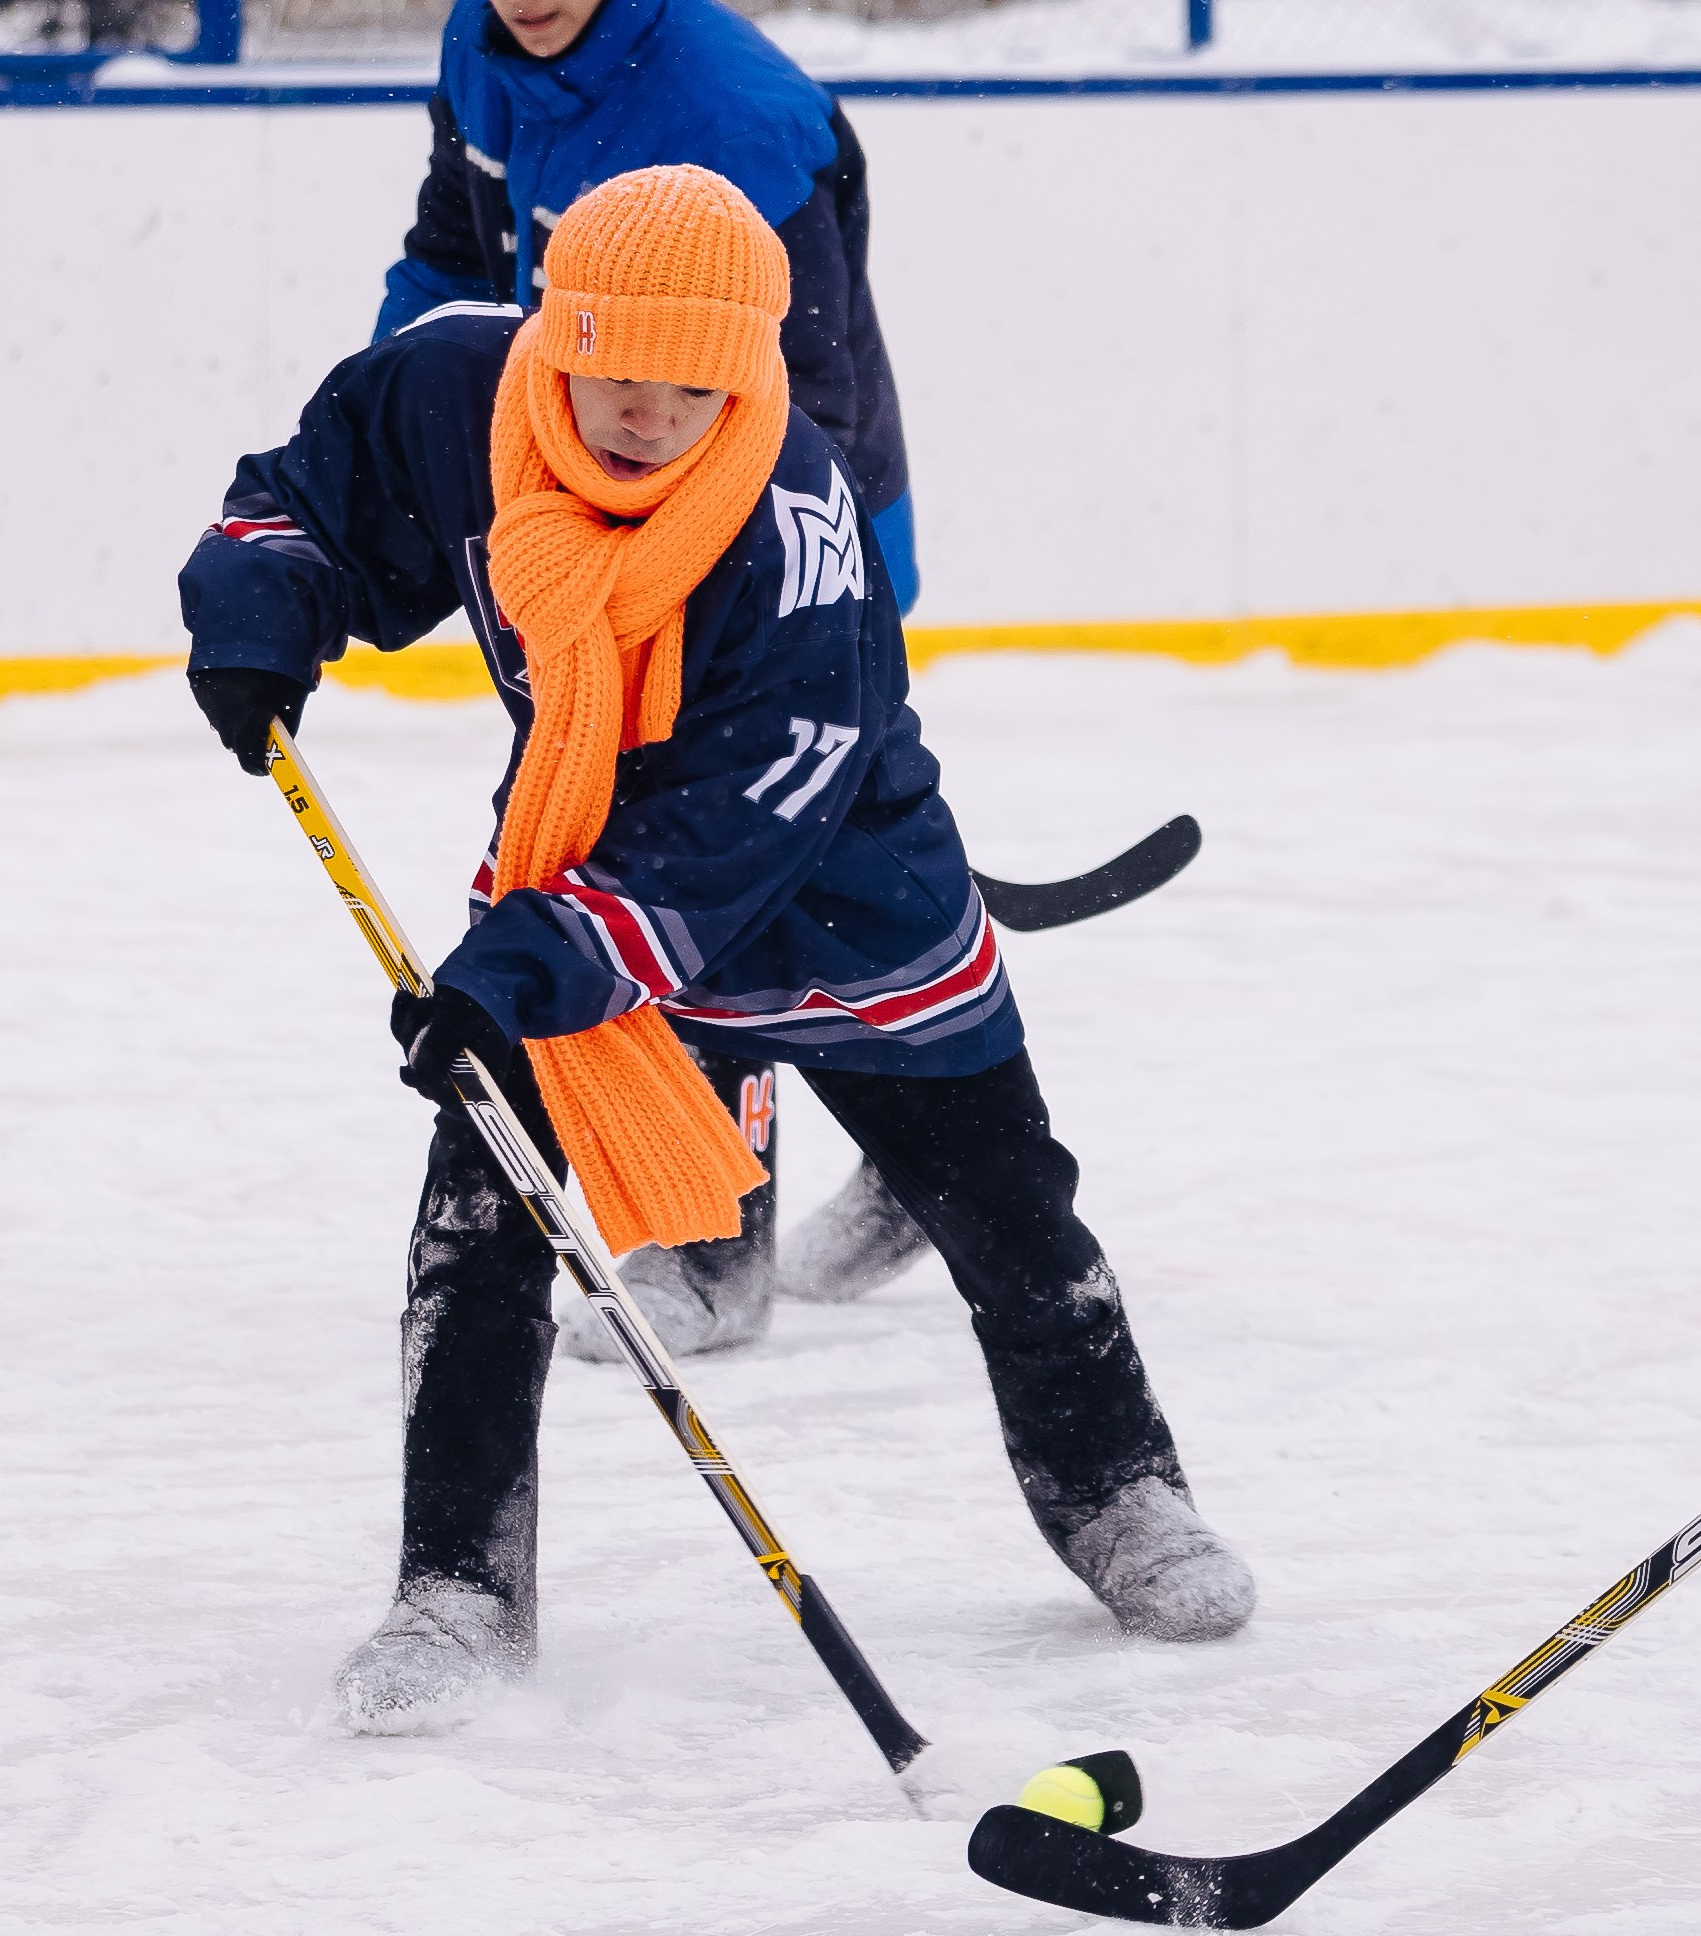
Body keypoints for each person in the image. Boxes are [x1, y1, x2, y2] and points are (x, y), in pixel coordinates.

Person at [181, 165, 1255, 1734]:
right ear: (560, 330)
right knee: (477, 1237)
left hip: (845, 904)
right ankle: (457, 1587)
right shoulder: (460, 396)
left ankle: (1120, 1495)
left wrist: (525, 970)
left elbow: (736, 828)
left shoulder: (794, 526)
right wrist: (263, 604)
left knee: (1017, 1225)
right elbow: (302, 495)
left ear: (745, 369)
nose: (640, 412)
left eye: (690, 385)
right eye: (613, 366)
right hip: (577, 878)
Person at [375, 0, 931, 1359]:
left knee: (722, 890)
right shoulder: (483, 55)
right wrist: (401, 416)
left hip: (779, 548)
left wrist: (705, 572)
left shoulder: (731, 116)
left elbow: (804, 393)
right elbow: (454, 255)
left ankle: (715, 1248)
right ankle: (892, 1156)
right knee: (706, 882)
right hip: (602, 525)